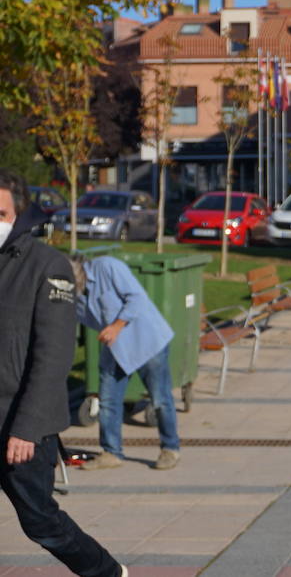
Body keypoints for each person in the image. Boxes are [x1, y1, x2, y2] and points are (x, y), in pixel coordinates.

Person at [0, 170, 126, 577]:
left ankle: (107, 572)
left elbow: (53, 354)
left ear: (17, 215)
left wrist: (28, 427)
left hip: (19, 425)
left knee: (40, 520)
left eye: (0, 212)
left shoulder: (47, 265)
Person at [72, 255, 181, 471]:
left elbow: (137, 298)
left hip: (147, 341)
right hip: (116, 349)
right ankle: (111, 452)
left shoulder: (108, 267)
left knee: (160, 399)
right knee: (108, 402)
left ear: (77, 272)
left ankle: (170, 448)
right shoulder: (74, 294)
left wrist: (116, 326)